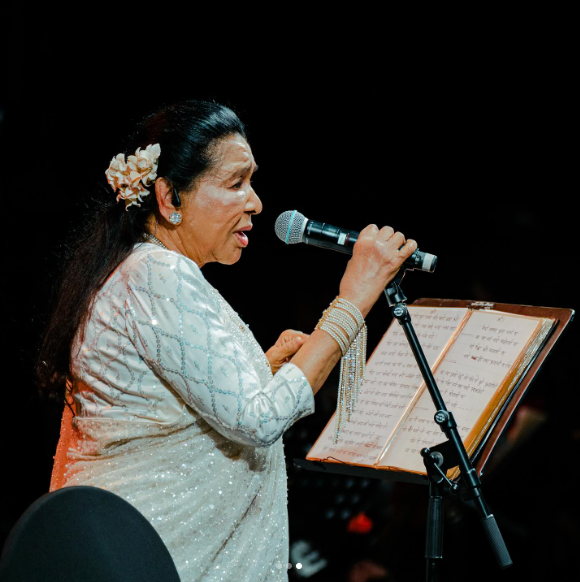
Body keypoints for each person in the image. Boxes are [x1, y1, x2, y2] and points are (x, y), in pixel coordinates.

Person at [38, 100, 417, 582]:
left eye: (252, 182)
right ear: (169, 197)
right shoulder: (157, 274)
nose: (256, 202)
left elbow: (175, 410)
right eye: (236, 183)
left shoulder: (142, 270)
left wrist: (263, 369)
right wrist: (355, 298)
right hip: (155, 558)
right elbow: (258, 421)